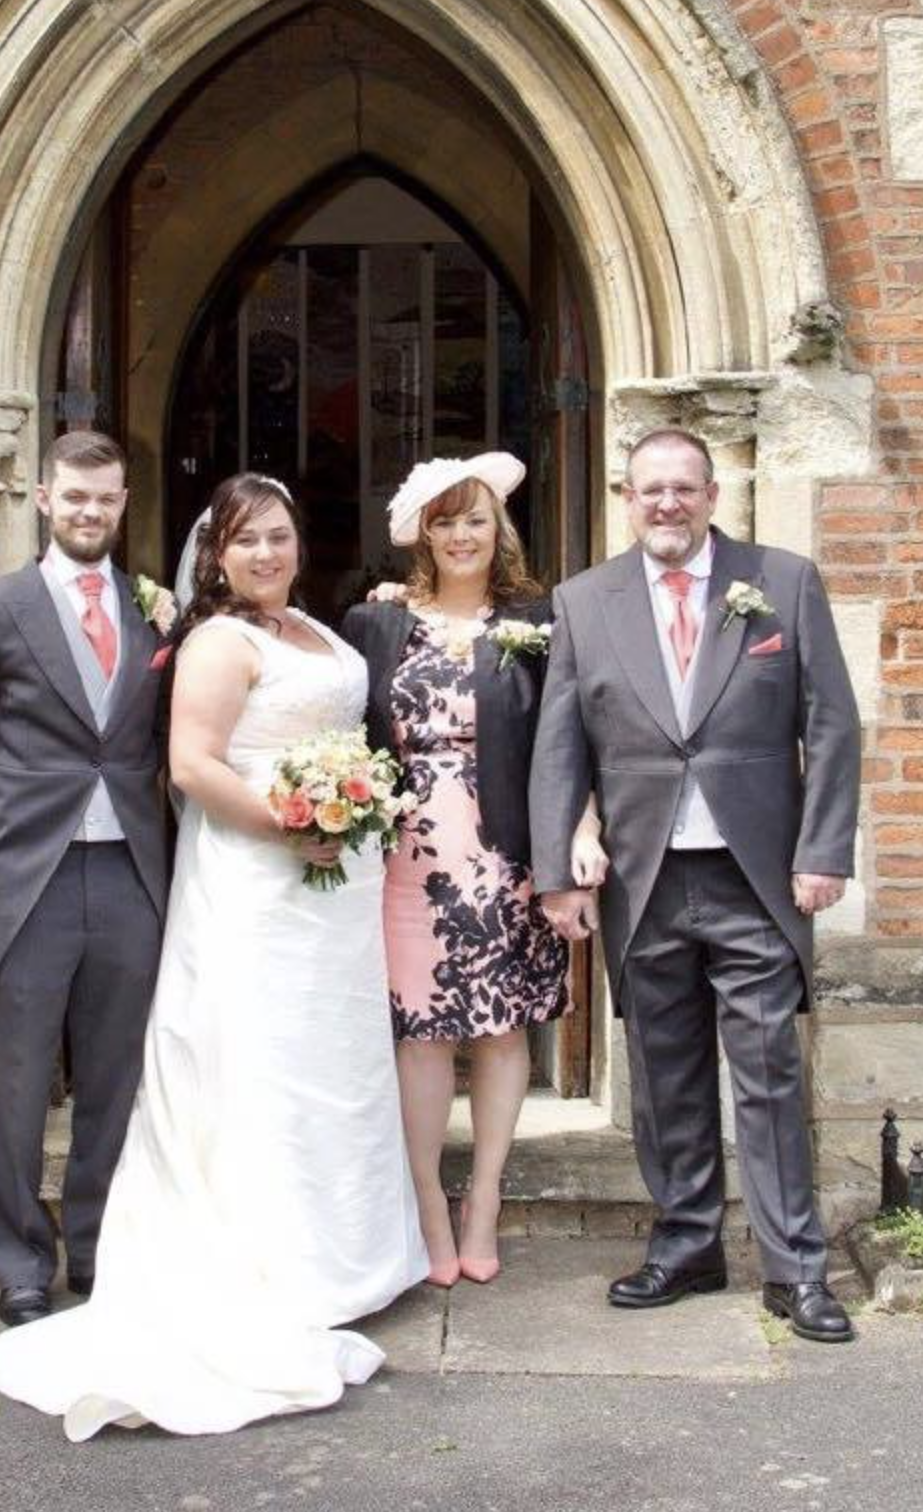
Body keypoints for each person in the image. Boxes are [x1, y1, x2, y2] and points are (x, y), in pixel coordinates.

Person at [0, 472, 428, 1438]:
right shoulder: (221, 641)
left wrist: (344, 813)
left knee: (328, 1063)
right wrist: (292, 821)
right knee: (258, 1063)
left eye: (279, 535)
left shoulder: (315, 630)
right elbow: (191, 765)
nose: (266, 554)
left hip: (331, 893)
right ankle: (276, 1264)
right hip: (259, 881)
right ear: (215, 557)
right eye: (245, 541)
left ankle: (348, 1257)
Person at [530, 427, 861, 1343]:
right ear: (626, 500)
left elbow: (831, 723)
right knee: (664, 1075)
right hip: (646, 879)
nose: (666, 505)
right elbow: (561, 745)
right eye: (649, 491)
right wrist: (558, 869)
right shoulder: (584, 601)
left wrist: (823, 849)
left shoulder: (782, 580)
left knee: (766, 1073)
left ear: (713, 494)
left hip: (756, 876)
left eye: (683, 488)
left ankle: (796, 1271)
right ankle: (685, 1244)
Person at [343, 454, 607, 1287]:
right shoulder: (375, 623)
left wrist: (579, 834)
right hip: (406, 858)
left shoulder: (539, 620)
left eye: (477, 520)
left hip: (505, 856)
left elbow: (574, 739)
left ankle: (483, 1198)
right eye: (446, 520)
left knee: (501, 1029)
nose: (462, 535)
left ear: (501, 531)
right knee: (422, 1034)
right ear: (424, 532)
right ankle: (425, 1200)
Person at [0, 431, 172, 1329]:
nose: (89, 512)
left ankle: (97, 1246)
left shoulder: (155, 612)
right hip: (31, 881)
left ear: (122, 502)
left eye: (104, 498)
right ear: (41, 497)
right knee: (20, 1084)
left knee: (114, 1077)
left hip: (129, 880)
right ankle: (19, 1262)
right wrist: (16, 825)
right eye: (74, 496)